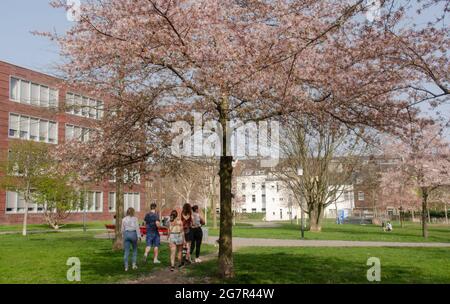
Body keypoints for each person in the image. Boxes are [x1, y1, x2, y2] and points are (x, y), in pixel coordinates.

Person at [121, 207, 141, 271]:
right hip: (133, 234)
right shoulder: (135, 219)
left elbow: (122, 229)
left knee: (126, 251)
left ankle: (126, 267)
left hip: (126, 234)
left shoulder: (123, 219)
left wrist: (122, 235)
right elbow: (137, 228)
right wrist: (139, 236)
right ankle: (133, 265)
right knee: (134, 250)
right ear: (133, 212)